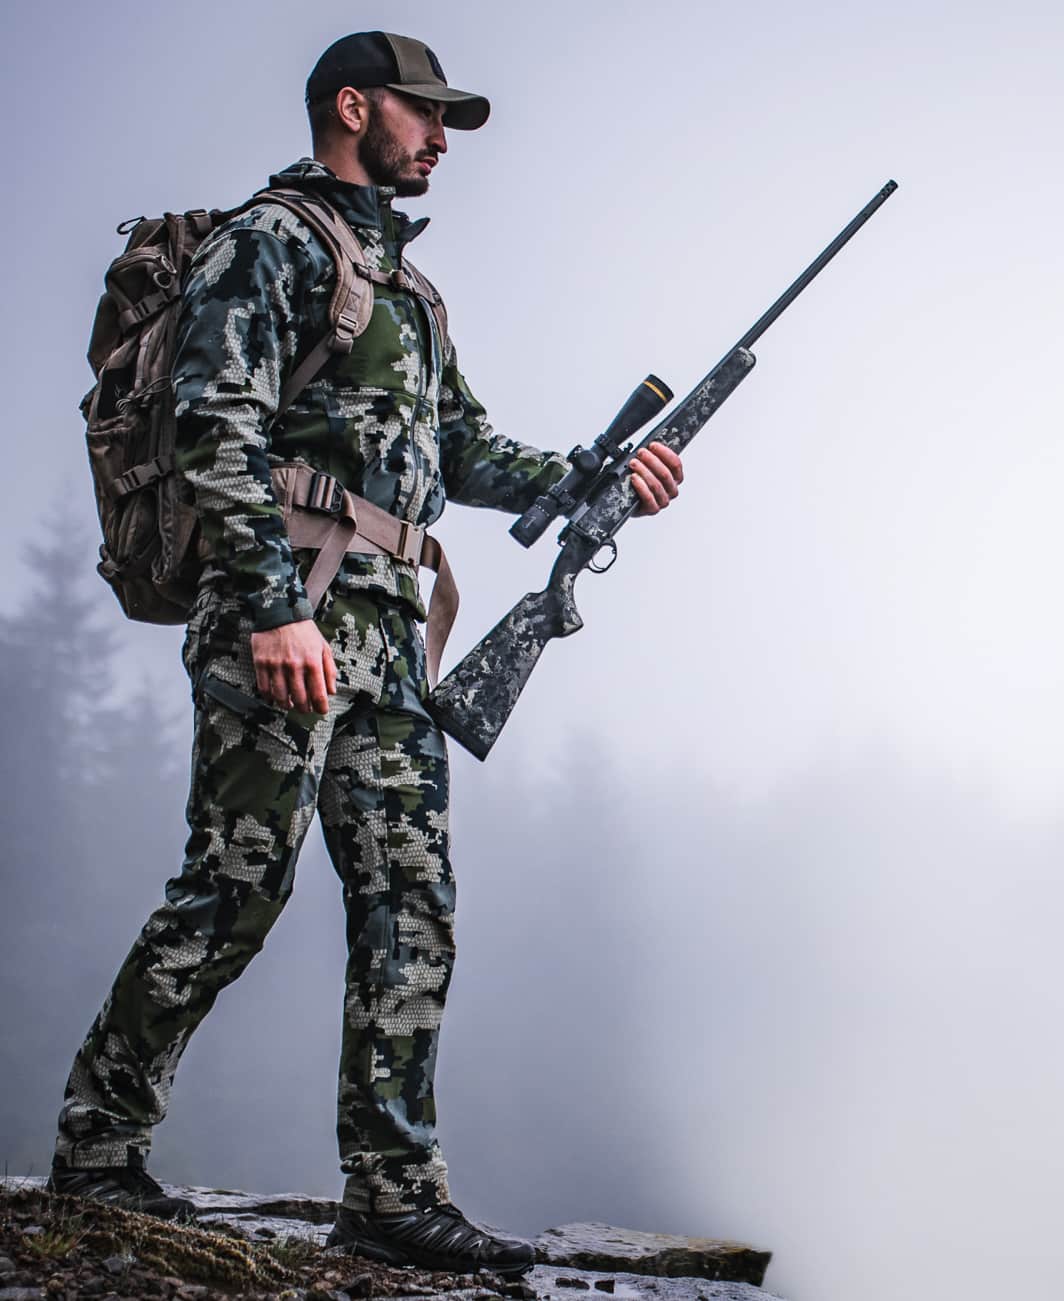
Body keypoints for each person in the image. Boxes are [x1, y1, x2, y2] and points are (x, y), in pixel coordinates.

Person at [49, 30, 683, 1278]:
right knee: (234, 886)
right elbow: (213, 424)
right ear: (354, 107)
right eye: (423, 113)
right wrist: (269, 608)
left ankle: (392, 1192)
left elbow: (465, 452)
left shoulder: (410, 290)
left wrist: (604, 480)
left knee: (412, 902)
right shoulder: (271, 241)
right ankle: (97, 1147)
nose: (440, 137)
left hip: (389, 636)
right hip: (286, 613)